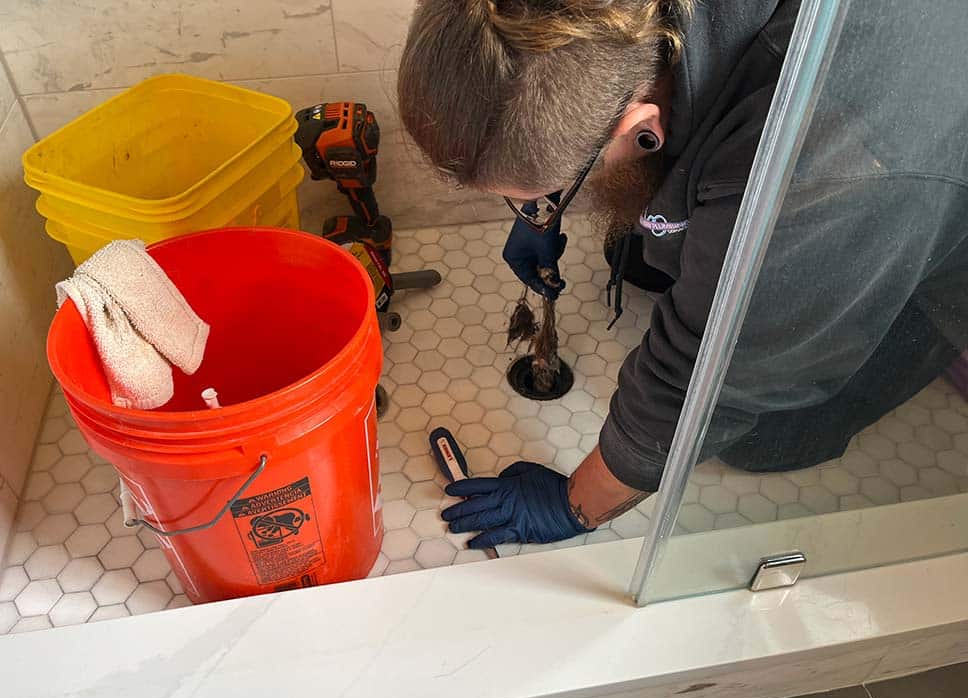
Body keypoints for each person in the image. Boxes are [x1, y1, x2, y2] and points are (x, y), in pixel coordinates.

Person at [397, 0, 968, 549]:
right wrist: (542, 203)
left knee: (761, 437)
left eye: (553, 189)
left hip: (928, 237)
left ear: (644, 126)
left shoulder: (809, 171)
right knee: (638, 253)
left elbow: (710, 370)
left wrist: (578, 502)